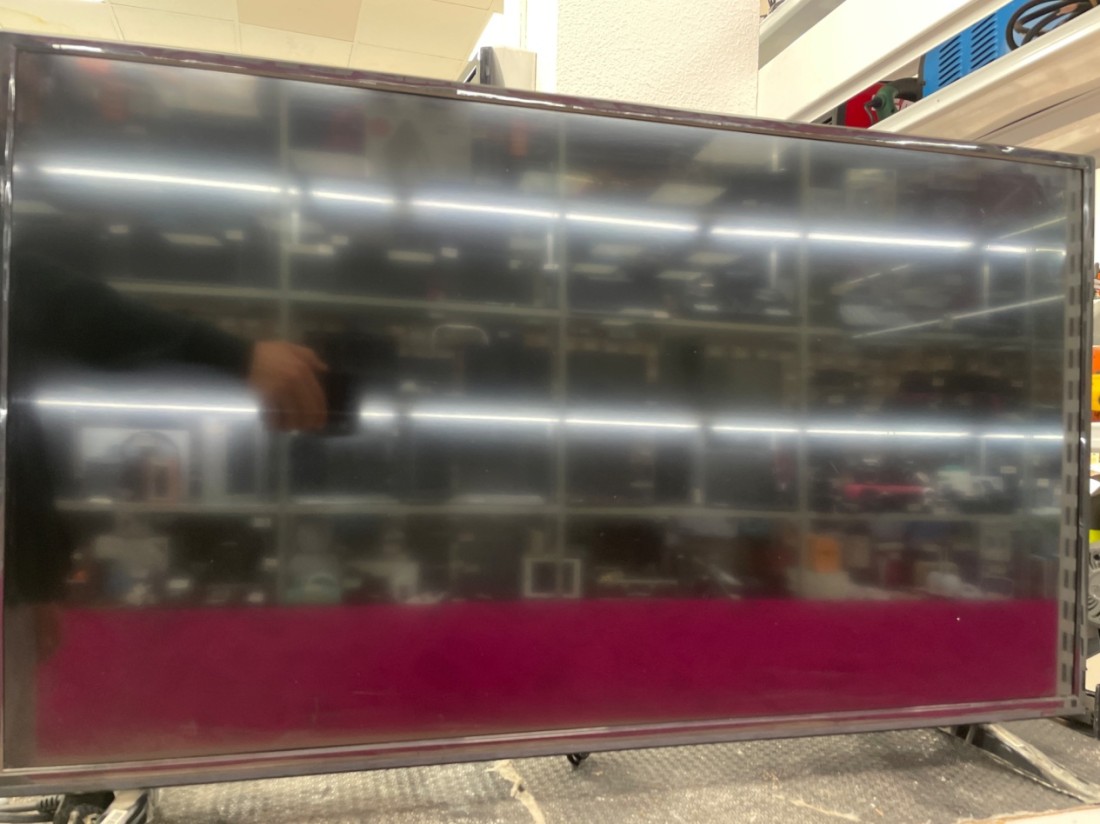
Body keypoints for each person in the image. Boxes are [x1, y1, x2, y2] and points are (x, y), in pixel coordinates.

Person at [4, 246, 328, 765]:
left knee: (12, 761)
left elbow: (21, 446)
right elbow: (66, 303)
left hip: (16, 578)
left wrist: (34, 578)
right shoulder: (29, 287)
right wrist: (236, 356)